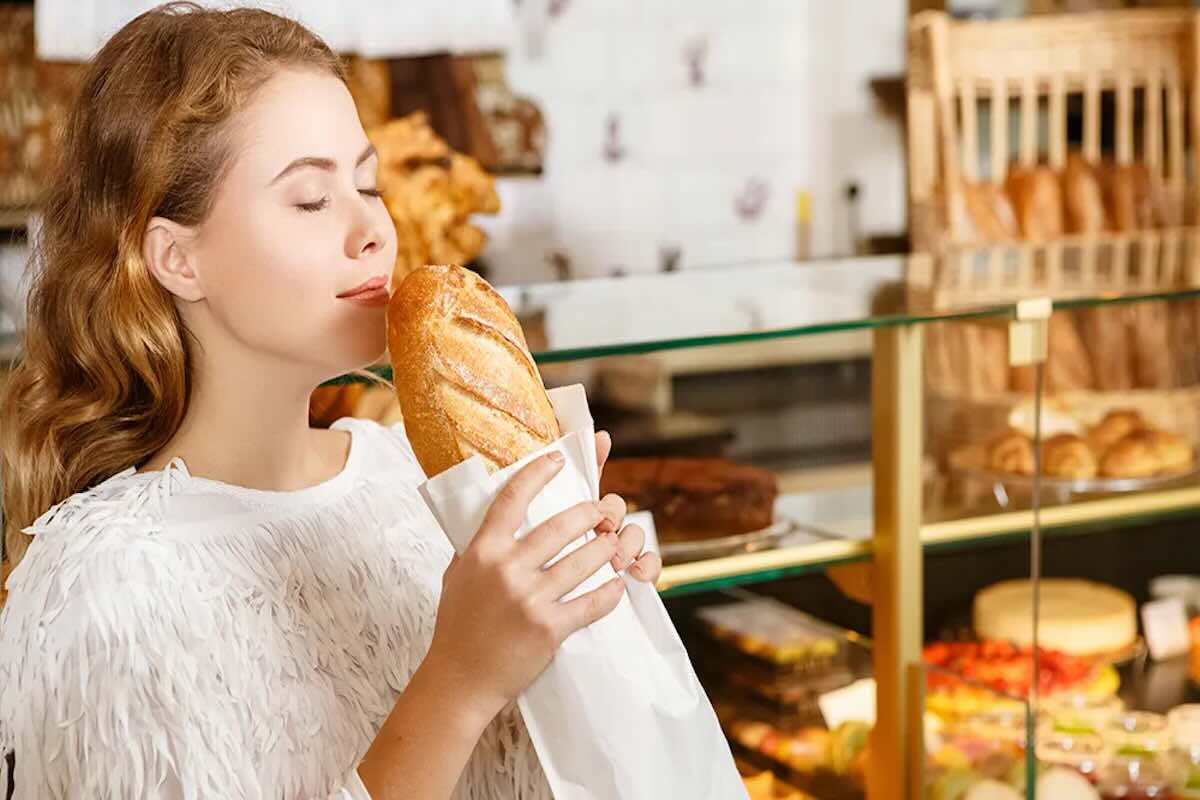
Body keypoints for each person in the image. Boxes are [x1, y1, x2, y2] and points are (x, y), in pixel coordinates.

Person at [0, 4, 661, 798]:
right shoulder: (110, 588)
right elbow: (460, 703)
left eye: (368, 183)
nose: (374, 228)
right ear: (176, 257)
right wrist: (460, 681)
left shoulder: (414, 481)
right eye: (312, 199)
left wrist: (586, 620)